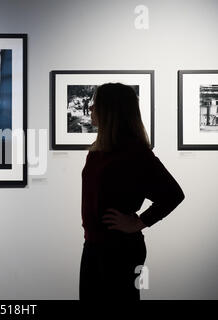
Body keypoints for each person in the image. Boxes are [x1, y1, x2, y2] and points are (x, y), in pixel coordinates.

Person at [79, 83, 185, 300]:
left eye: (95, 104)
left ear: (110, 110)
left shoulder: (134, 153)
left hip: (119, 250)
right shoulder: (98, 150)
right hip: (93, 245)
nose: (90, 109)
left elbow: (173, 194)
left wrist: (138, 222)